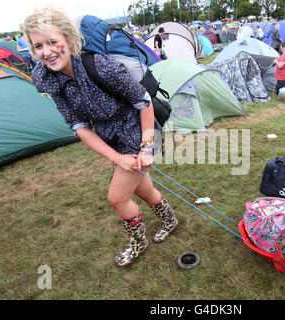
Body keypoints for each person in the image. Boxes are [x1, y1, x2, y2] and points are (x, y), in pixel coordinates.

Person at [22, 6, 179, 267]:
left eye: (52, 42)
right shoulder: (49, 79)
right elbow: (79, 126)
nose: (46, 51)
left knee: (117, 197)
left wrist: (146, 148)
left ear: (68, 40)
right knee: (142, 187)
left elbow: (144, 103)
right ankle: (171, 221)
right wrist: (116, 157)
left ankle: (138, 243)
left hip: (139, 132)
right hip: (111, 139)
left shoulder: (101, 67)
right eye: (38, 46)